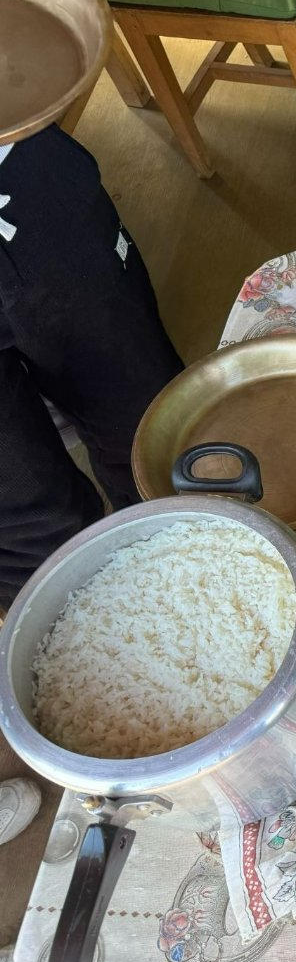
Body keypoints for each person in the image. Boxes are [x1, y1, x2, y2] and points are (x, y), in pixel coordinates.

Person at [0, 125, 183, 609]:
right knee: (32, 533)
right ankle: (100, 638)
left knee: (148, 433)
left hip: (23, 175)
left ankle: (181, 583)